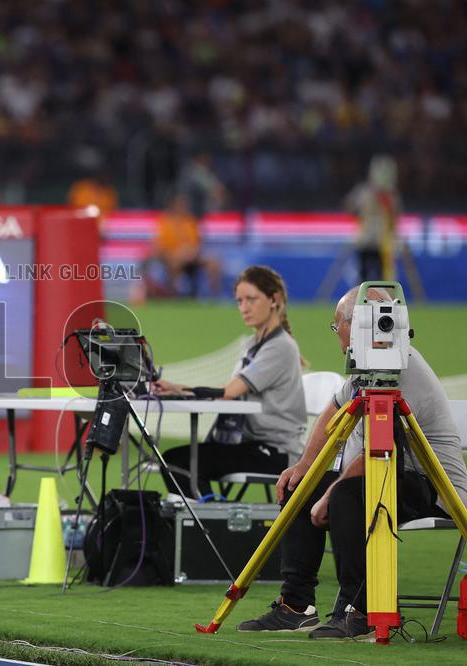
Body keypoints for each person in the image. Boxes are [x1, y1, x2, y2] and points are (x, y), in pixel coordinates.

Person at [238, 286, 467, 639]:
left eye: (336, 327)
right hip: (391, 471)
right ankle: (295, 606)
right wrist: (303, 467)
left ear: (356, 324)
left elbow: (383, 447)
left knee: (346, 494)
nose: (338, 337)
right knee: (304, 485)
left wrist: (330, 492)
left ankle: (359, 609)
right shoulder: (370, 365)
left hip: (434, 486)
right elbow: (331, 416)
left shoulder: (401, 367)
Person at [152, 265, 307, 499]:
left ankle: (210, 530)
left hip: (275, 451)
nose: (244, 308)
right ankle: (210, 521)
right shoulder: (252, 345)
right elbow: (227, 391)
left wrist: (180, 390)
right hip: (252, 444)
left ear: (274, 299)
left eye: (251, 299)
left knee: (180, 462)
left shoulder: (280, 347)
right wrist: (174, 388)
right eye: (239, 301)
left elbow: (227, 393)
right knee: (177, 460)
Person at [344, 154, 400, 282]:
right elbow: (348, 206)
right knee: (362, 275)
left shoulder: (391, 195)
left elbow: (395, 215)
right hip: (365, 239)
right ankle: (361, 300)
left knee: (382, 277)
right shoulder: (364, 191)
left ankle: (381, 300)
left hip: (382, 242)